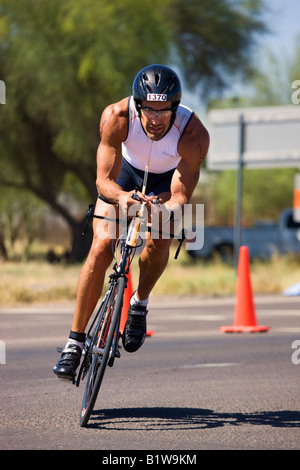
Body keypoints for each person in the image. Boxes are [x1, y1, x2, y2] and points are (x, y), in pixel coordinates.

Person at [53, 64, 210, 381]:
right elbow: (103, 181)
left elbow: (180, 196)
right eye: (149, 110)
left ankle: (139, 305)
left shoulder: (194, 135)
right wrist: (121, 198)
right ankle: (74, 342)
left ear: (174, 108)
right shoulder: (116, 117)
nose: (155, 119)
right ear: (138, 106)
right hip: (125, 175)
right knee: (99, 248)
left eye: (163, 111)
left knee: (159, 242)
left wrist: (162, 210)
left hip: (166, 184)